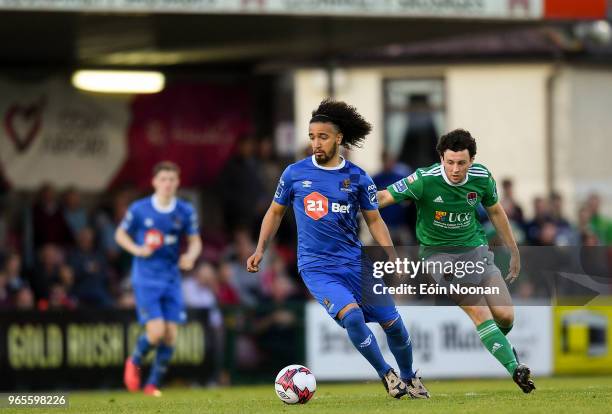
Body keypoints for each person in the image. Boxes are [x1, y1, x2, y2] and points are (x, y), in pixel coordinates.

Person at [247, 99, 429, 399]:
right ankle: (387, 374)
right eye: (312, 137)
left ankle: (410, 377)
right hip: (317, 267)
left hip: (356, 264)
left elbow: (375, 220)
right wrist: (260, 249)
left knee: (394, 324)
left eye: (323, 137)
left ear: (338, 138)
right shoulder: (294, 174)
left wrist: (393, 258)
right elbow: (275, 212)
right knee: (353, 317)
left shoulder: (358, 178)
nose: (316, 143)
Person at [377, 129, 536, 394]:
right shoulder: (423, 180)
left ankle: (503, 347)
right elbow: (384, 197)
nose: (455, 169)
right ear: (441, 158)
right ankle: (515, 368)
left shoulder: (482, 177)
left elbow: (496, 211)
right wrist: (350, 198)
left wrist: (514, 250)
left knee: (506, 316)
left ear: (471, 160)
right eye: (449, 162)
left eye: (461, 163)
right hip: (439, 257)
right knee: (479, 312)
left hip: (476, 251)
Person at [116, 161, 202, 397]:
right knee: (156, 332)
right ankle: (133, 361)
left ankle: (152, 384)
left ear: (178, 182)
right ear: (154, 182)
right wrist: (137, 249)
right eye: (163, 179)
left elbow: (195, 242)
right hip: (145, 277)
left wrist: (191, 257)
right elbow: (120, 234)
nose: (167, 184)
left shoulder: (185, 211)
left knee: (171, 335)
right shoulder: (139, 209)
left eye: (172, 179)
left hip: (172, 277)